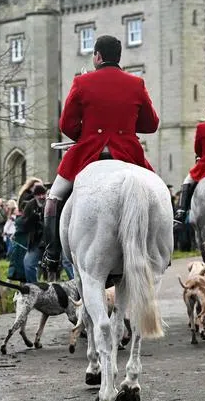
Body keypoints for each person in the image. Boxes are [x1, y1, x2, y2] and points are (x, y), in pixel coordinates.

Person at [40, 35, 159, 275]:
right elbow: (151, 124)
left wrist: (84, 134)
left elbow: (66, 124)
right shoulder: (136, 83)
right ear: (119, 57)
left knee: (53, 198)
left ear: (97, 56)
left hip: (88, 154)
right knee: (158, 194)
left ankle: (52, 255)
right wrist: (127, 127)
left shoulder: (82, 82)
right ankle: (159, 251)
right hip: (127, 154)